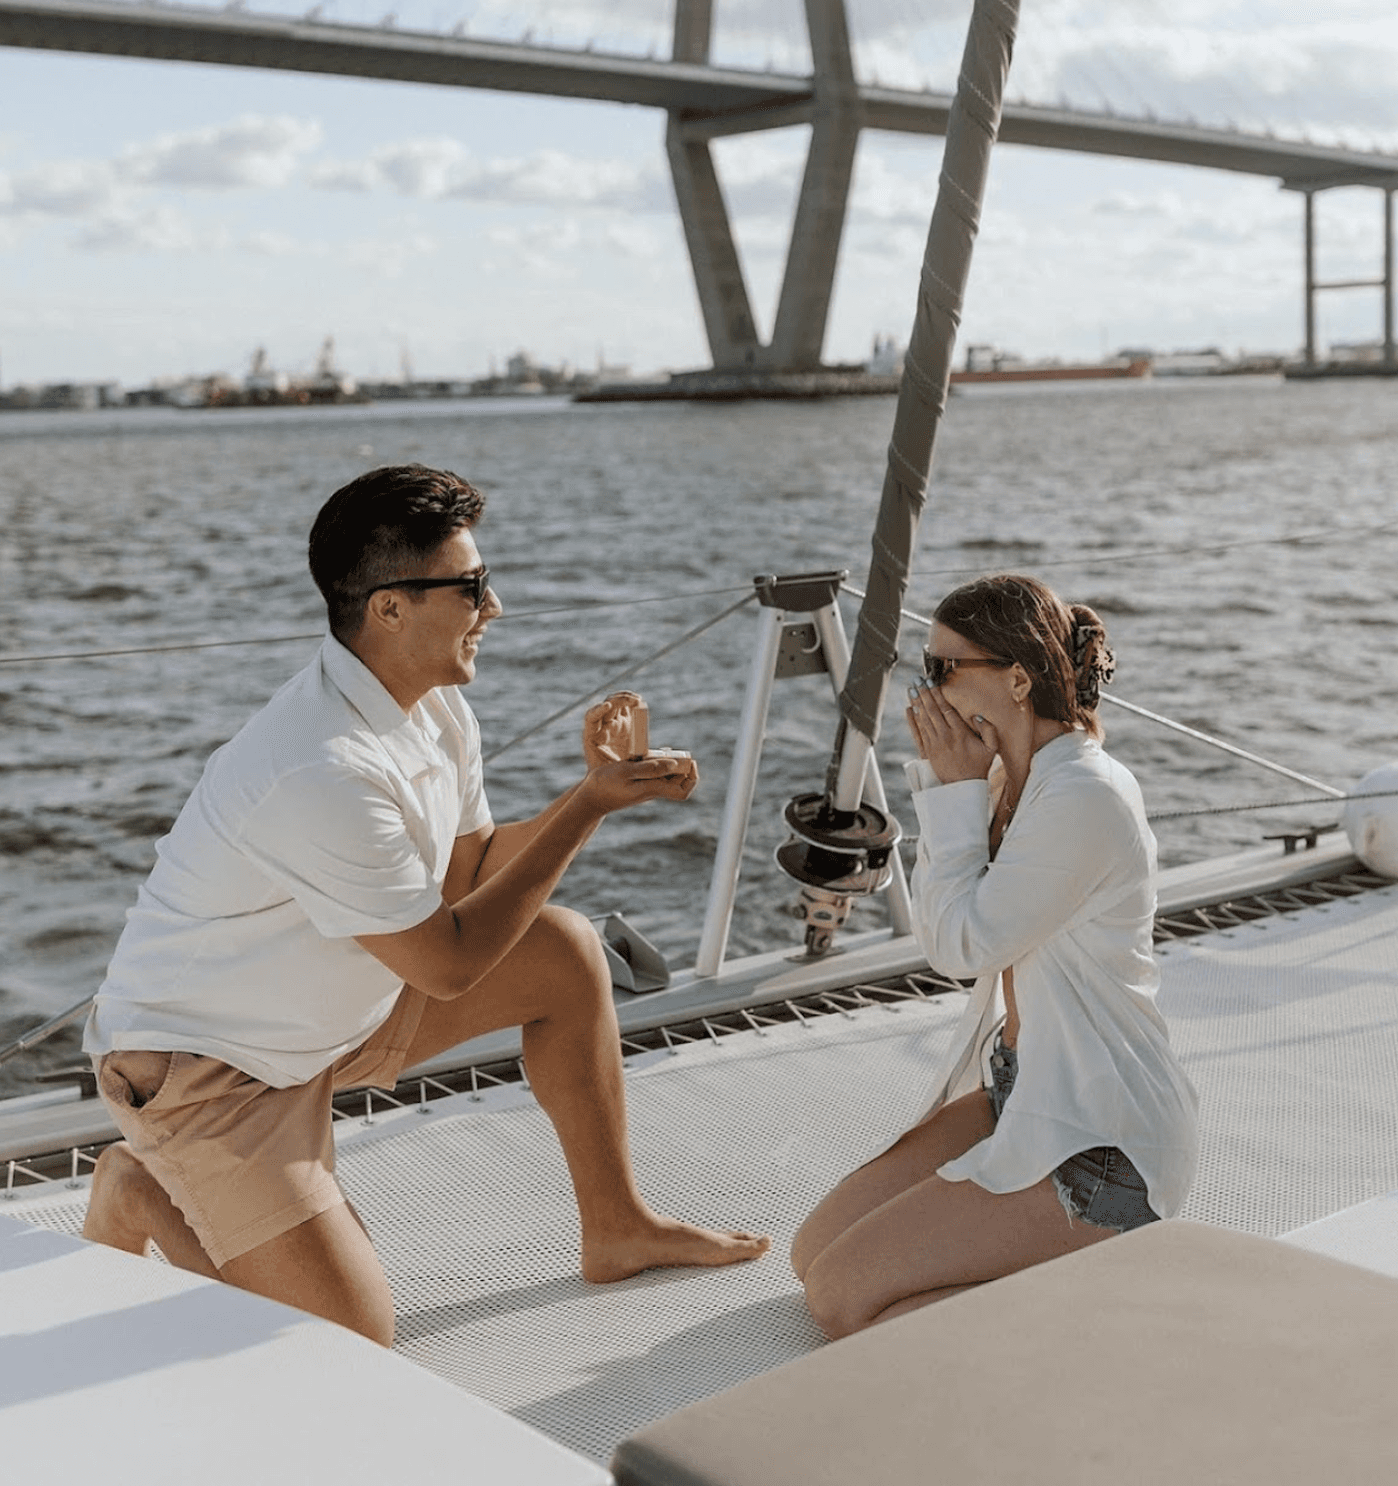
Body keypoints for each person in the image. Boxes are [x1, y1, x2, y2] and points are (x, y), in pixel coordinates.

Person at [82, 462, 768, 1344]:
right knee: (352, 1346)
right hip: (210, 1076)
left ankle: (618, 1226)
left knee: (562, 951)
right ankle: (137, 1187)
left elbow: (468, 871)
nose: (496, 608)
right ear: (390, 608)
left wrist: (589, 789)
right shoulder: (321, 766)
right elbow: (447, 964)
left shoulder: (435, 708)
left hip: (323, 1019)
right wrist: (589, 810)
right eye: (473, 587)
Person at [791, 572, 1197, 1337]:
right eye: (926, 666)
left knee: (843, 1299)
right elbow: (953, 924)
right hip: (1022, 1092)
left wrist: (951, 791)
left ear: (1017, 678)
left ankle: (1110, 1311)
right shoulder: (1016, 781)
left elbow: (961, 946)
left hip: (1101, 1140)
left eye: (945, 668)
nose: (930, 690)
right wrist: (964, 791)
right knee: (814, 1253)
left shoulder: (1085, 794)